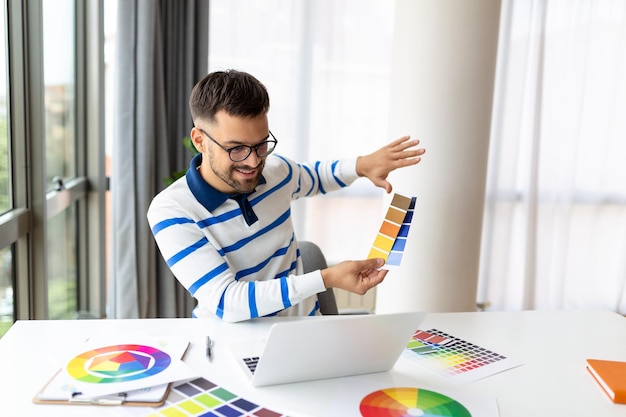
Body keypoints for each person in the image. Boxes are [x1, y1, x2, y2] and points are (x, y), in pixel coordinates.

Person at [147, 69, 425, 322]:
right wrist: (326, 279)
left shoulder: (277, 171)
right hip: (233, 345)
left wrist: (362, 166)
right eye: (236, 149)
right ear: (199, 140)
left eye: (260, 145)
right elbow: (227, 301)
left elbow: (316, 177)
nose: (253, 162)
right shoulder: (172, 211)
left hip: (305, 332)